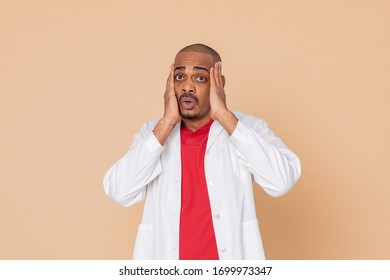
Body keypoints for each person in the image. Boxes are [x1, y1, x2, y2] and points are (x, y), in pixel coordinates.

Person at [103, 43, 301, 260]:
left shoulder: (248, 128)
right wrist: (167, 122)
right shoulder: (153, 134)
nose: (187, 87)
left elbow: (282, 181)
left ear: (219, 83)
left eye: (199, 78)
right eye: (179, 77)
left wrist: (224, 115)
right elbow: (118, 190)